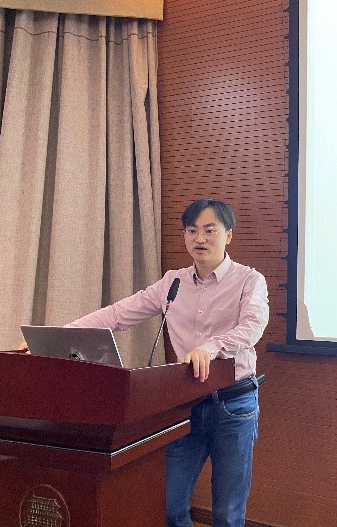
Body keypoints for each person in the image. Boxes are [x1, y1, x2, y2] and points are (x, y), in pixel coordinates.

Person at [61, 199, 269, 527]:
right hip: (184, 404)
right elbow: (117, 314)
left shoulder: (249, 280)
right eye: (192, 230)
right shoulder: (173, 283)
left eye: (210, 230)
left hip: (234, 405)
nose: (200, 238)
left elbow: (252, 327)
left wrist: (210, 348)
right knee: (168, 505)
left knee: (228, 514)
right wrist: (61, 337)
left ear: (228, 235)